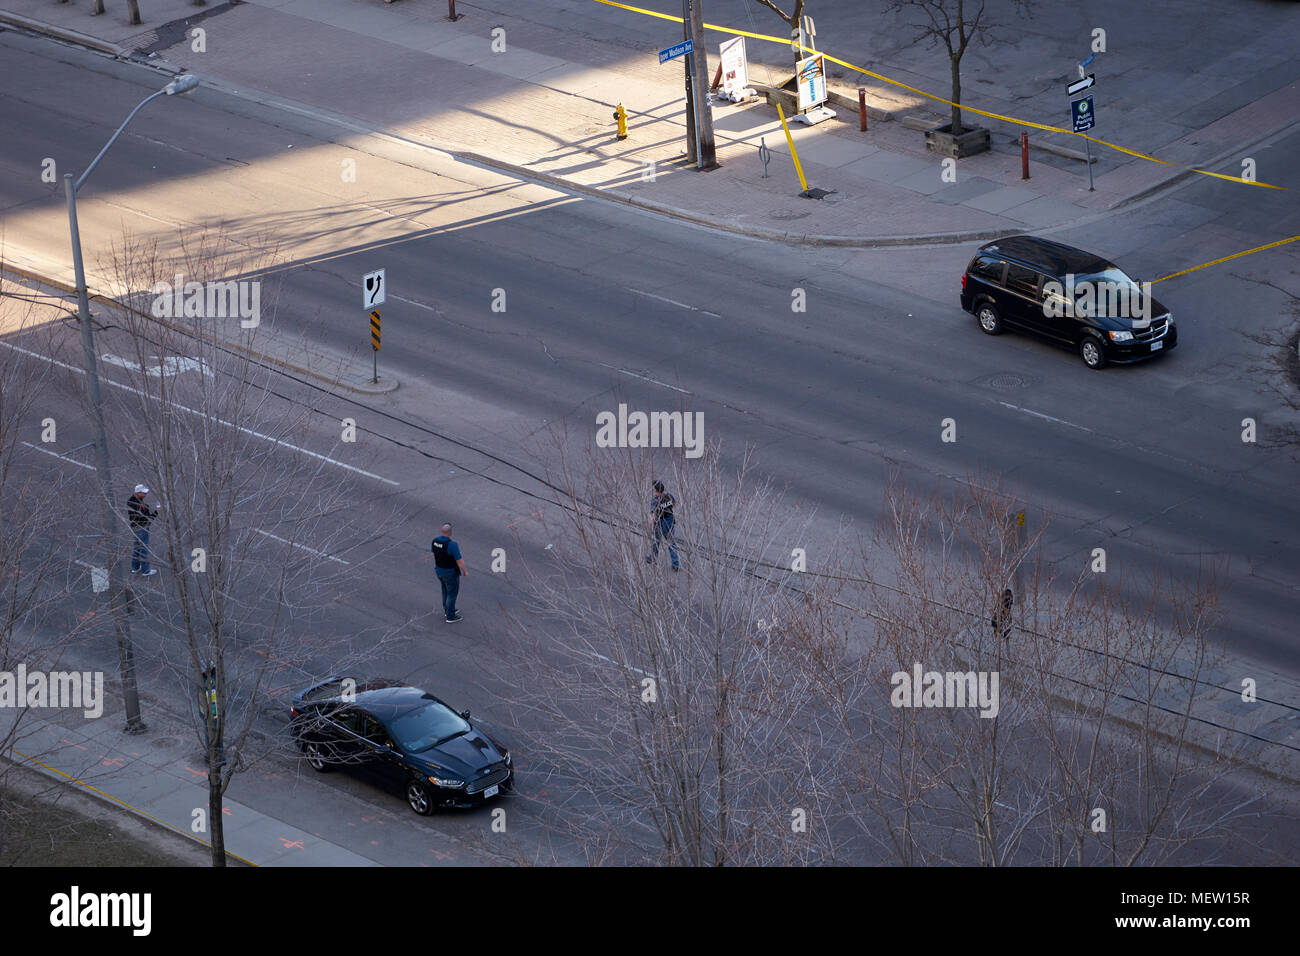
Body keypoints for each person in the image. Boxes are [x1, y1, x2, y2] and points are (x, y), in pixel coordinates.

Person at [431, 523, 468, 622]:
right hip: (450, 573)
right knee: (452, 593)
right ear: (450, 533)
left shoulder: (434, 541)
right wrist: (465, 571)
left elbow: (433, 554)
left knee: (445, 590)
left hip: (439, 571)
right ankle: (450, 616)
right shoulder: (452, 545)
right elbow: (459, 561)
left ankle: (447, 610)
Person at [645, 480, 679, 571]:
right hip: (670, 521)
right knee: (671, 543)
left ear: (656, 490)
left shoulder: (655, 501)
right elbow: (674, 504)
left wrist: (650, 527)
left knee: (655, 541)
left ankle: (652, 558)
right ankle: (675, 564)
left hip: (660, 523)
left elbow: (653, 516)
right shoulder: (669, 496)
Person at [128, 484, 160, 576]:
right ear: (138, 493)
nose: (146, 494)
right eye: (144, 492)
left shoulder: (132, 501)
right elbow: (147, 519)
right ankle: (146, 570)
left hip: (135, 527)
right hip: (142, 527)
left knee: (137, 548)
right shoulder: (138, 505)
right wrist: (157, 512)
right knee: (144, 548)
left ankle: (135, 567)